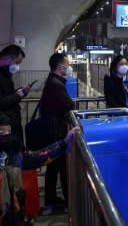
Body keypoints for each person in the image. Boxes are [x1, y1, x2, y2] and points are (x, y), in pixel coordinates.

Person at [0, 112, 79, 224]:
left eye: (8, 131)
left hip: (12, 215)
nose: (8, 136)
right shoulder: (12, 156)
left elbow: (39, 156)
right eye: (2, 132)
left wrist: (63, 144)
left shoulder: (14, 156)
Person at [39, 53, 75, 207]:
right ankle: (66, 201)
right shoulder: (56, 84)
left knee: (53, 167)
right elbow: (69, 105)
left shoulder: (53, 81)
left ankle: (51, 198)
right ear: (60, 66)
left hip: (52, 129)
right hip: (56, 132)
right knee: (60, 166)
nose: (68, 66)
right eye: (67, 63)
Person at [0, 45, 31, 142]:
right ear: (8, 58)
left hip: (12, 121)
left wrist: (20, 92)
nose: (17, 67)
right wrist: (18, 95)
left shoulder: (6, 74)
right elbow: (1, 102)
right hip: (5, 126)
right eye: (17, 63)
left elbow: (7, 94)